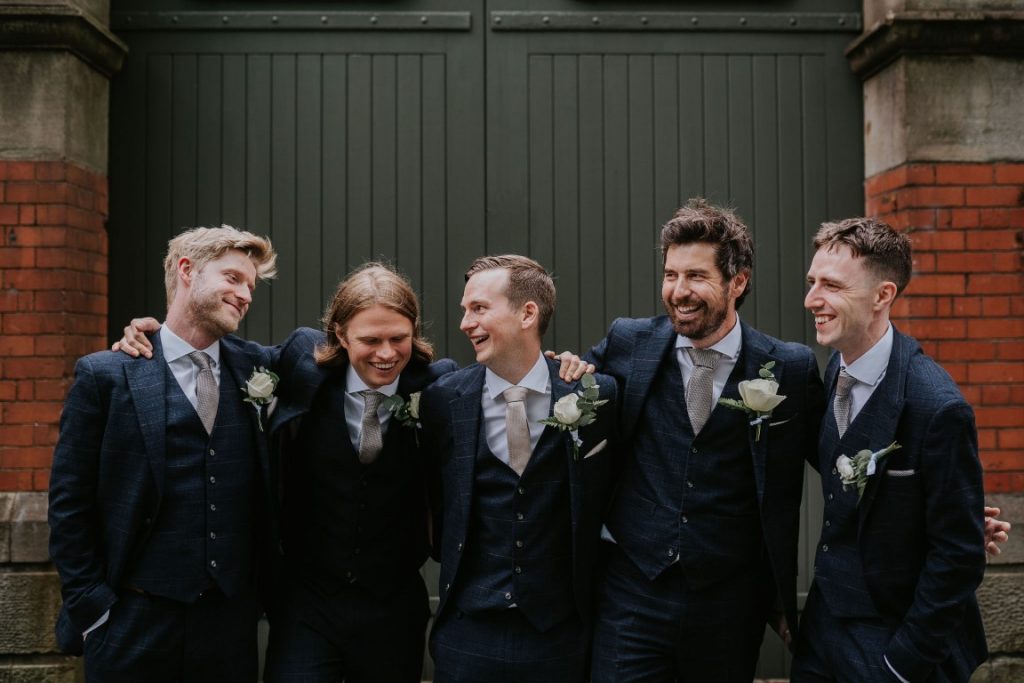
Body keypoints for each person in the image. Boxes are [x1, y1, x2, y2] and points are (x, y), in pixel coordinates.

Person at [583, 198, 824, 681]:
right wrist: (566, 368)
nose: (679, 291)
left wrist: (931, 505)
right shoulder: (628, 343)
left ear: (738, 282)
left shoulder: (789, 368)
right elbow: (572, 399)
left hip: (730, 606)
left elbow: (836, 461)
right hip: (633, 595)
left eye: (696, 276)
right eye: (670, 275)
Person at [48, 226, 278, 682]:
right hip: (131, 623)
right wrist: (92, 609)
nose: (245, 294)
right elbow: (69, 504)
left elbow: (329, 348)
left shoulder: (260, 368)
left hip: (227, 630)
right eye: (233, 278)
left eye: (251, 285)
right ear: (187, 270)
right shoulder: (105, 376)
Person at [792, 217, 988, 682]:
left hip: (891, 638)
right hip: (822, 632)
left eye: (832, 286)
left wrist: (903, 664)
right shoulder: (836, 368)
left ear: (883, 296)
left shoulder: (937, 407)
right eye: (812, 282)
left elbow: (958, 557)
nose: (811, 299)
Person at [419, 255, 619, 682]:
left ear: (528, 313)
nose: (465, 323)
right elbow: (439, 501)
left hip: (561, 636)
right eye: (464, 310)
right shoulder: (444, 400)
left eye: (479, 308)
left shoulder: (594, 395)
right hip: (468, 632)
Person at [261, 264, 457, 682]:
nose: (386, 354)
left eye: (398, 338)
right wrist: (151, 335)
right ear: (340, 334)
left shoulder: (437, 385)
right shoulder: (303, 366)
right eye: (370, 340)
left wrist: (562, 366)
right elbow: (227, 358)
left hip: (393, 606)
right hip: (306, 603)